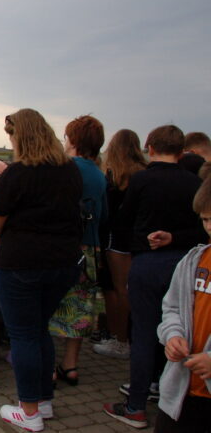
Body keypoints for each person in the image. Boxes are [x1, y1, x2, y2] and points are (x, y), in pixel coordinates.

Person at [104, 125, 206, 430]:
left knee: (146, 332)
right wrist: (175, 236)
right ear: (181, 150)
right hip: (186, 263)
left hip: (148, 263)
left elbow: (123, 222)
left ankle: (135, 405)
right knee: (178, 330)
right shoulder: (193, 182)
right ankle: (166, 389)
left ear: (150, 145)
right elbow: (203, 228)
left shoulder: (142, 180)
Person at [0, 109, 83, 432]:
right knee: (39, 329)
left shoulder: (18, 174)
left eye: (11, 136)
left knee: (24, 335)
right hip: (63, 262)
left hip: (21, 264)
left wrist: (10, 238)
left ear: (20, 137)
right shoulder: (69, 171)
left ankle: (29, 411)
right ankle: (43, 401)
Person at [50, 115, 107, 388]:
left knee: (49, 304)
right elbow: (104, 215)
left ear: (71, 140)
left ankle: (47, 366)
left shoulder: (63, 168)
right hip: (90, 246)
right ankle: (71, 365)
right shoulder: (98, 174)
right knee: (79, 306)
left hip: (60, 246)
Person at [153, 179, 211, 433]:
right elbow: (172, 307)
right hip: (181, 394)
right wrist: (173, 336)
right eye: (206, 220)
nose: (210, 227)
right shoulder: (193, 261)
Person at [95, 129, 147, 360]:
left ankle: (121, 339)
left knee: (118, 290)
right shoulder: (144, 174)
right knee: (128, 289)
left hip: (116, 239)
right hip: (137, 239)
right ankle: (128, 337)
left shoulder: (117, 177)